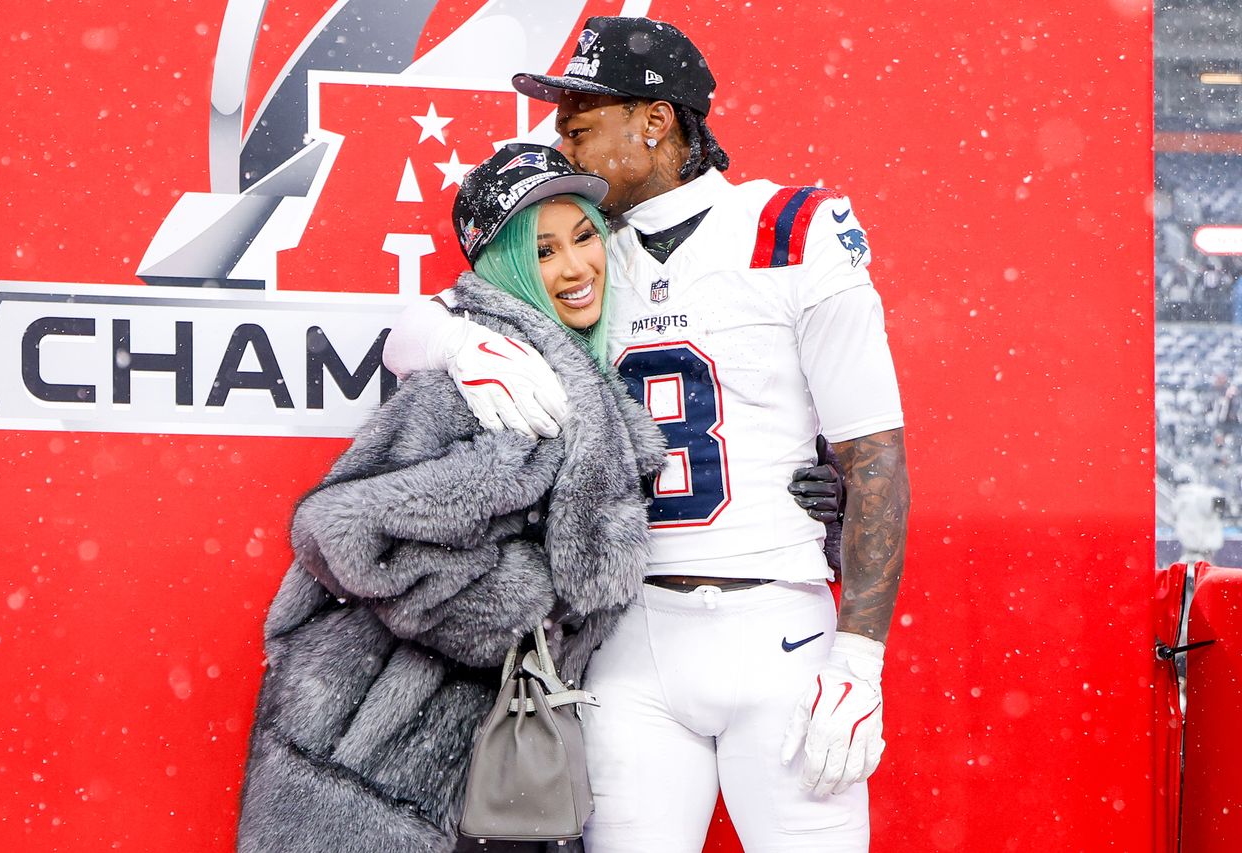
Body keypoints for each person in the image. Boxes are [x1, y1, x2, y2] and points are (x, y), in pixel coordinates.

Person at [383, 16, 910, 853]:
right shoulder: (587, 250)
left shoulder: (790, 229)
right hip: (631, 639)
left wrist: (859, 663)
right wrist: (455, 338)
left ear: (655, 121)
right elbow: (411, 330)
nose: (561, 145)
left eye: (579, 125)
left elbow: (874, 454)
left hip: (779, 624)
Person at [235, 143, 670, 853]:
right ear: (503, 267)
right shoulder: (495, 388)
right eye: (543, 250)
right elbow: (344, 529)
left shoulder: (578, 376)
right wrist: (524, 604)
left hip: (493, 760)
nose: (575, 267)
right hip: (389, 765)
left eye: (586, 236)